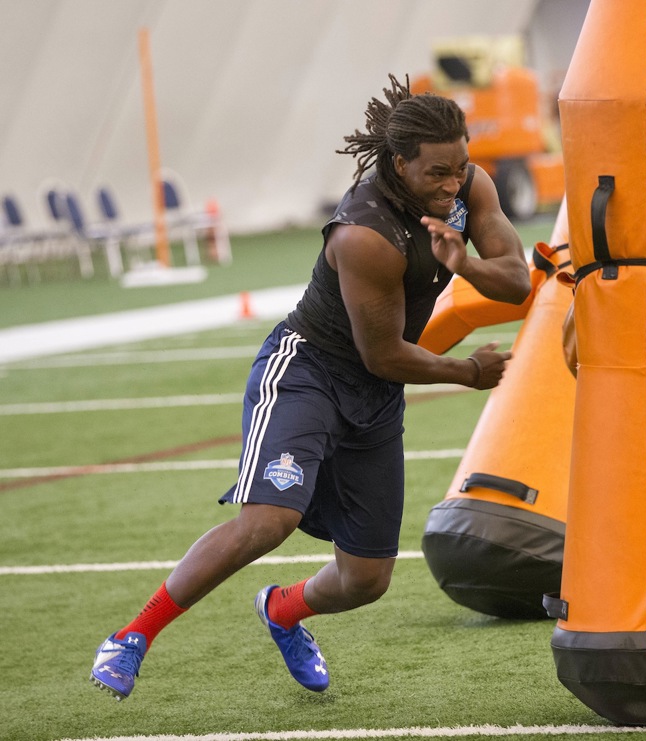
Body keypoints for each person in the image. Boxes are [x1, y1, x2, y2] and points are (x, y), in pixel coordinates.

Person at [89, 74, 532, 700]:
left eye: (460, 167)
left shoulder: (469, 186)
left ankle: (283, 610)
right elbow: (381, 356)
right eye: (437, 173)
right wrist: (467, 372)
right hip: (310, 372)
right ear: (399, 164)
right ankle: (132, 635)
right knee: (268, 519)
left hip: (374, 396)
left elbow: (515, 282)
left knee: (366, 580)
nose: (453, 184)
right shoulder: (364, 234)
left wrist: (467, 265)